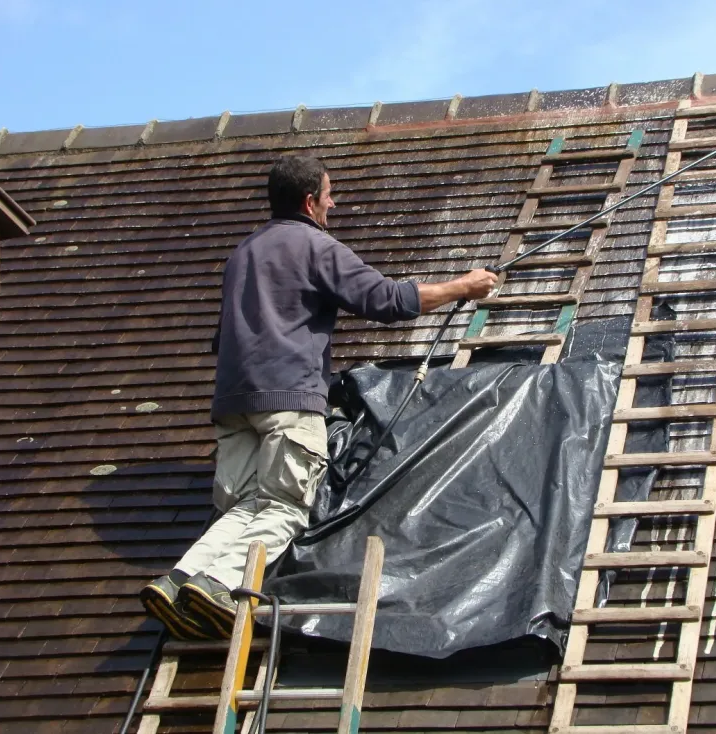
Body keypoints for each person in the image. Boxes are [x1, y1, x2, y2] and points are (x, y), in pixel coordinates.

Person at [140, 155, 497, 639]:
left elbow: (221, 340)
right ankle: (219, 584)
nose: (334, 201)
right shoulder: (315, 246)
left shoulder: (243, 254)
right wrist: (464, 287)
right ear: (310, 201)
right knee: (287, 506)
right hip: (288, 400)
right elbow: (385, 300)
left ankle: (178, 580)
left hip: (233, 401)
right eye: (329, 193)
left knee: (247, 505)